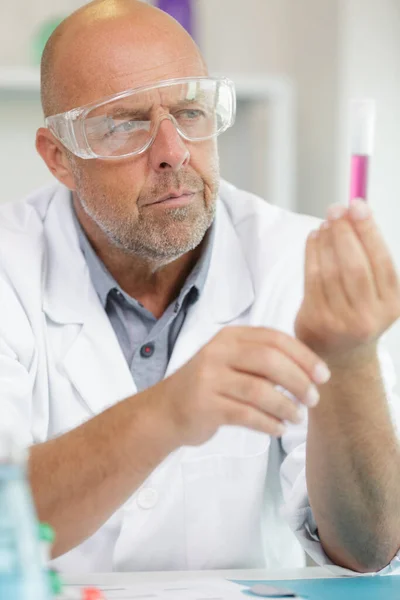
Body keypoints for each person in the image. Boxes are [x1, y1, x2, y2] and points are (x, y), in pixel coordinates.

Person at [1, 0, 400, 575]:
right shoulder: (7, 264)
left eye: (190, 112)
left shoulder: (296, 260)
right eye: (124, 123)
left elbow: (369, 549)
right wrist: (165, 413)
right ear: (59, 159)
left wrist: (352, 359)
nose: (173, 152)